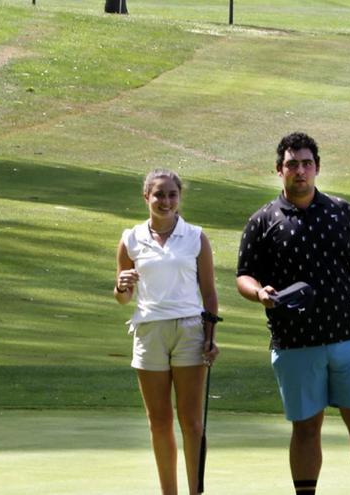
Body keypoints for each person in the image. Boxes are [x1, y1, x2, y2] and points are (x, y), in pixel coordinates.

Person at [236, 132, 350, 495]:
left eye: (306, 164)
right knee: (305, 428)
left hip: (349, 337)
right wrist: (259, 293)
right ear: (279, 170)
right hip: (294, 344)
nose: (300, 171)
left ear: (317, 168)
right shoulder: (263, 221)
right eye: (292, 164)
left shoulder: (341, 211)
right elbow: (243, 274)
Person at [114, 168, 220, 495]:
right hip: (149, 331)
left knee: (192, 423)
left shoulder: (195, 236)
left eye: (172, 194)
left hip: (189, 330)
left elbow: (210, 293)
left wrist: (210, 338)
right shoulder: (130, 238)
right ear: (146, 197)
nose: (166, 201)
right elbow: (123, 297)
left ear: (179, 197)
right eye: (159, 194)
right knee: (159, 422)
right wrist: (120, 287)